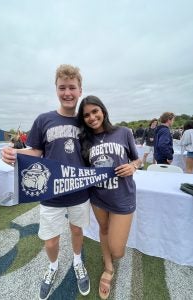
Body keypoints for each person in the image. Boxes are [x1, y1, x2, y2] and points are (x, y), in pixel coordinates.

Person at [1, 64, 90, 299]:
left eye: (72, 87)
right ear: (56, 89)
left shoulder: (86, 121)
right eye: (63, 87)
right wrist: (15, 156)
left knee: (77, 231)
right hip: (50, 192)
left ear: (80, 90)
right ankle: (52, 266)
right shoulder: (44, 119)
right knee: (50, 241)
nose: (67, 92)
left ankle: (78, 261)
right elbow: (36, 152)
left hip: (80, 191)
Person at [77, 95, 141, 300]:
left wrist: (133, 166)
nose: (92, 117)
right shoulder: (84, 140)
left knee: (118, 250)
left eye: (95, 111)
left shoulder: (123, 132)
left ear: (103, 111)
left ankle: (113, 259)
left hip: (123, 196)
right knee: (103, 230)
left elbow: (137, 159)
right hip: (98, 197)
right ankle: (108, 268)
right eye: (86, 115)